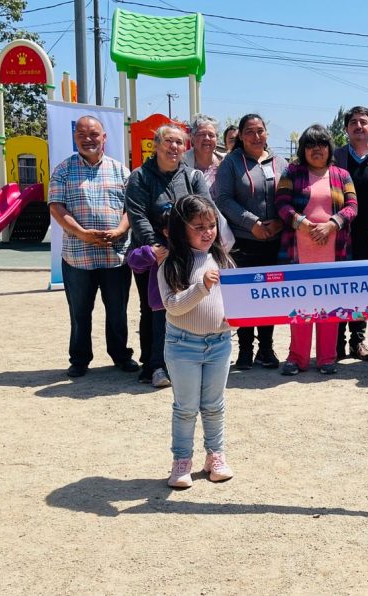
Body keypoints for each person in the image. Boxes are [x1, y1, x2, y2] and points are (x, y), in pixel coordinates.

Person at [48, 115, 139, 378]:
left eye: (94, 134)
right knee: (79, 313)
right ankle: (79, 359)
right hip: (78, 257)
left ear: (104, 137)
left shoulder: (120, 170)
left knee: (117, 311)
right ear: (75, 138)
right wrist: (81, 233)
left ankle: (121, 355)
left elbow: (130, 209)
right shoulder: (63, 170)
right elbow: (56, 206)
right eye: (81, 135)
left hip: (115, 256)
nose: (88, 139)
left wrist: (121, 229)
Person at [159, 194, 236, 489]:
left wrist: (236, 318)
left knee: (215, 405)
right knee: (186, 407)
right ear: (181, 229)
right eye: (198, 226)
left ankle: (215, 456)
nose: (207, 232)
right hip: (182, 345)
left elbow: (234, 301)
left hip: (220, 343)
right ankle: (181, 461)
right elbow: (174, 306)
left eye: (211, 225)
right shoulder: (170, 264)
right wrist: (201, 287)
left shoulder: (223, 259)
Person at [125, 124, 211, 387]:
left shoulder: (193, 177)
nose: (174, 147)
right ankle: (151, 364)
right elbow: (137, 215)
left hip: (186, 254)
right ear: (156, 145)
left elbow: (205, 209)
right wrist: (156, 247)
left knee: (185, 307)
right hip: (153, 255)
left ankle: (182, 360)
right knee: (152, 309)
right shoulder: (140, 177)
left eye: (179, 143)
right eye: (169, 142)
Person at [275, 124, 358, 376]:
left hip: (334, 251)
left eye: (321, 144)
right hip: (298, 251)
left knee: (329, 306)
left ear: (329, 148)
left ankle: (326, 358)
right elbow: (281, 203)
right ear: (303, 149)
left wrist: (331, 225)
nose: (316, 149)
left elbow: (352, 206)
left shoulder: (342, 174)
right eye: (310, 145)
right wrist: (304, 223)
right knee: (300, 306)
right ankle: (297, 358)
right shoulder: (291, 172)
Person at [214, 113, 288, 370]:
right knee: (244, 297)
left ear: (267, 133)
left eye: (260, 131)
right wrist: (251, 223)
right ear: (241, 136)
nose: (256, 136)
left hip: (275, 241)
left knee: (269, 296)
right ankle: (245, 349)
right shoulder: (230, 163)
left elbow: (288, 198)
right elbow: (222, 199)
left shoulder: (280, 162)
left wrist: (280, 221)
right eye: (249, 132)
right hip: (243, 241)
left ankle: (266, 349)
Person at [332, 106, 368, 362]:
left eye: (363, 122)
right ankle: (336, 343)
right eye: (353, 122)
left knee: (360, 290)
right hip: (339, 234)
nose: (358, 126)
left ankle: (358, 341)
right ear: (346, 128)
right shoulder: (334, 158)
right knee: (337, 288)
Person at [125, 211, 171, 388]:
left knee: (181, 338)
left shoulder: (191, 245)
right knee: (159, 336)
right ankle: (157, 368)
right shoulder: (158, 247)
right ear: (165, 231)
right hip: (160, 304)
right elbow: (134, 262)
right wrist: (151, 252)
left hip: (187, 302)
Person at [182, 114, 224, 193]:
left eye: (211, 135)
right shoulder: (181, 163)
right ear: (192, 138)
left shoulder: (225, 162)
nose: (207, 138)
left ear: (217, 139)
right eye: (202, 134)